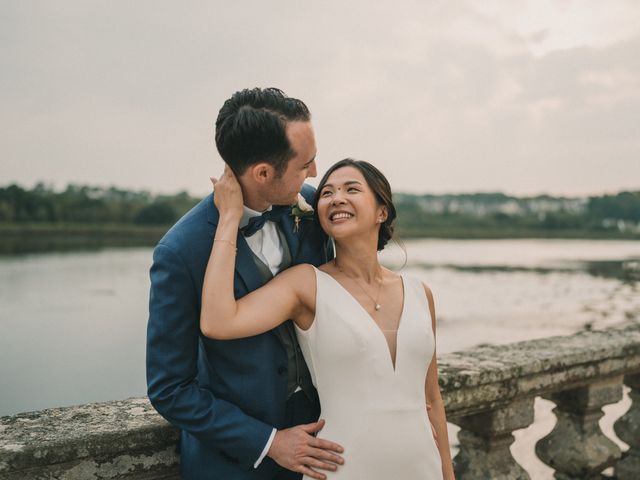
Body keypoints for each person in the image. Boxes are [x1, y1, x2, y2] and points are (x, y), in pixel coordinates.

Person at [203, 158, 456, 479]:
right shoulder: (306, 284)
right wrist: (229, 218)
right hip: (343, 467)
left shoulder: (421, 293)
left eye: (352, 189)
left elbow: (431, 396)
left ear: (382, 211)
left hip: (422, 467)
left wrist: (447, 471)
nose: (337, 198)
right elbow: (217, 321)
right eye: (327, 193)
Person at [146, 87, 345, 480]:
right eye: (305, 163)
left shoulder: (313, 207)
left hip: (328, 445)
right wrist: (268, 441)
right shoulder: (180, 251)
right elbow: (170, 388)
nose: (315, 173)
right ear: (263, 173)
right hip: (235, 464)